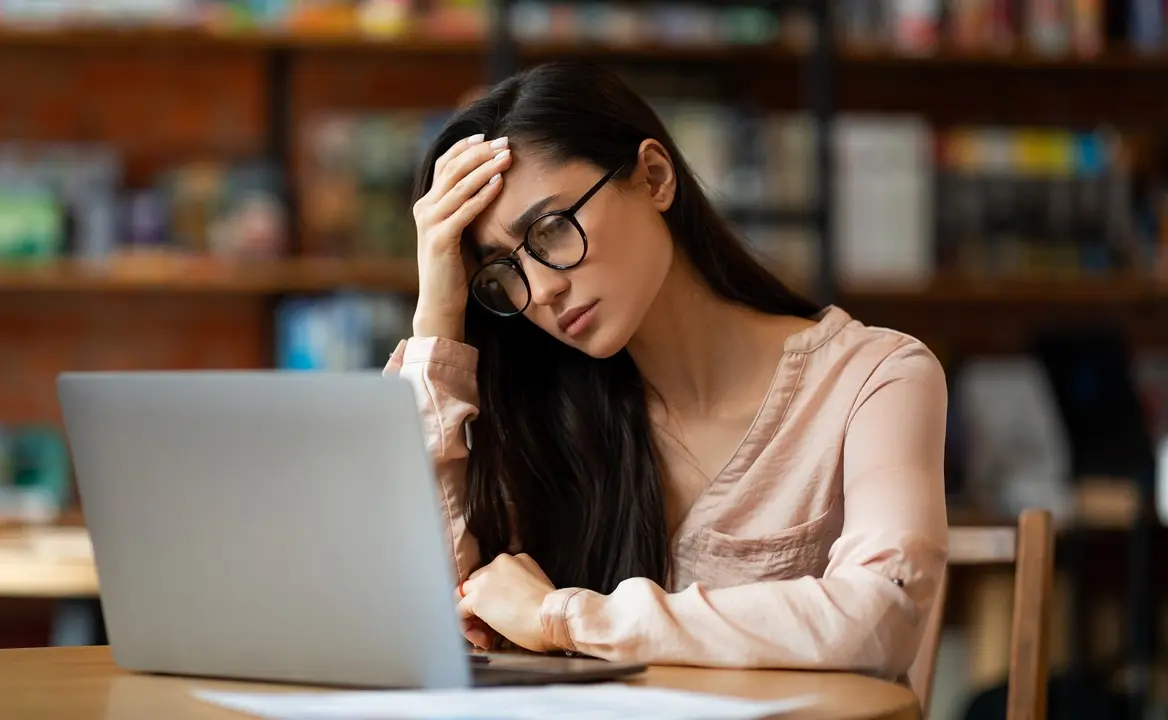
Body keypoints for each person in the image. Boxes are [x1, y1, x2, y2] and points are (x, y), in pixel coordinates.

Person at [383, 60, 948, 679]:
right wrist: (437, 311)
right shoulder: (542, 410)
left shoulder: (874, 379)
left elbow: (879, 617)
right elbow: (405, 611)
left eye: (550, 230)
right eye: (502, 271)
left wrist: (563, 618)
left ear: (654, 177)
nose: (540, 290)